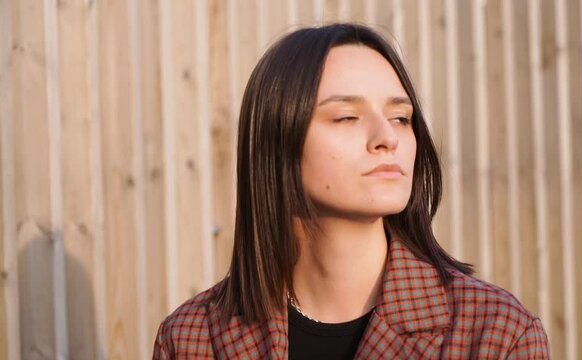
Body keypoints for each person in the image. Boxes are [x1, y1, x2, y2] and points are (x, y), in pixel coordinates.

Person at [152, 23, 549, 359]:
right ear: (277, 142)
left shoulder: (493, 334)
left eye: (400, 117)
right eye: (346, 117)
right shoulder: (194, 337)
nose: (386, 138)